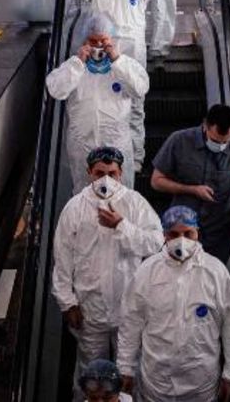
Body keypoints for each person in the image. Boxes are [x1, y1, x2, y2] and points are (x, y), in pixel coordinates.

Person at [52, 145, 163, 399]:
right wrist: (67, 303)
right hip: (90, 311)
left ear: (121, 173)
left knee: (130, 373)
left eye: (111, 173)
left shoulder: (135, 203)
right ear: (89, 172)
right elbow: (62, 259)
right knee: (91, 374)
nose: (106, 179)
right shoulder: (74, 208)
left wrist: (122, 226)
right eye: (99, 172)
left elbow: (156, 243)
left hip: (129, 309)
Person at [117, 206, 230, 402]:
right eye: (174, 234)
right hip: (156, 384)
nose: (181, 240)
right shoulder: (147, 272)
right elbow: (130, 323)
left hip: (201, 386)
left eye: (188, 233)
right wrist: (125, 367)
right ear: (164, 235)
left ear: (198, 233)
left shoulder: (215, 272)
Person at [69, 0, 164, 172]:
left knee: (135, 103)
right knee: (108, 101)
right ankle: (105, 157)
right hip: (99, 47)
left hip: (131, 49)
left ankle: (136, 157)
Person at [151, 104, 230, 266]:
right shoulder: (179, 140)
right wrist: (192, 190)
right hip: (181, 228)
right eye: (215, 140)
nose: (220, 146)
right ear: (205, 125)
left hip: (217, 232)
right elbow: (156, 181)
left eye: (226, 142)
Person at [46, 15, 150, 187]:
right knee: (85, 197)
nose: (98, 46)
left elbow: (140, 89)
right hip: (83, 146)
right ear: (84, 40)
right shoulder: (75, 67)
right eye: (92, 41)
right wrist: (78, 62)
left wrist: (118, 61)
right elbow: (56, 89)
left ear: (112, 40)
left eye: (103, 41)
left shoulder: (125, 65)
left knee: (121, 197)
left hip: (117, 144)